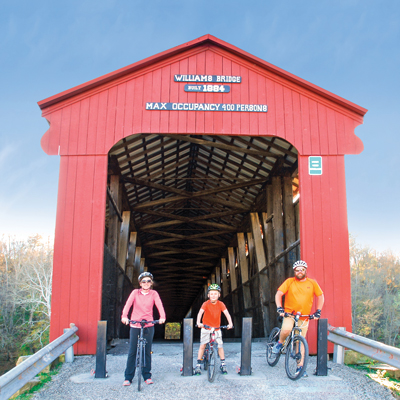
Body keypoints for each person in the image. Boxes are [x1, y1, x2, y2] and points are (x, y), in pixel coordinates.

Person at [272, 260, 324, 377]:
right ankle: (280, 343)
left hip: (304, 317)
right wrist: (280, 308)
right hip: (290, 314)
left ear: (305, 270)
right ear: (294, 271)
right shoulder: (289, 282)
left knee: (300, 342)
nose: (300, 272)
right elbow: (279, 294)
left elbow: (320, 296)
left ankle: (300, 368)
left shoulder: (312, 283)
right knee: (286, 330)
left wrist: (318, 311)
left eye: (302, 269)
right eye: (297, 270)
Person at [121, 272, 166, 386]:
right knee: (132, 351)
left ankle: (147, 375)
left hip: (148, 324)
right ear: (140, 283)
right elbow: (128, 305)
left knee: (147, 351)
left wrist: (162, 317)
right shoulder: (135, 293)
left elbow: (159, 305)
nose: (146, 283)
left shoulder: (154, 294)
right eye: (144, 281)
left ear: (151, 283)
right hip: (135, 324)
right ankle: (128, 377)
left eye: (148, 281)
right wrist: (124, 316)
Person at [195, 283, 233, 375]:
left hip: (216, 329)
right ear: (208, 295)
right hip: (206, 328)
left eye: (215, 294)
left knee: (220, 345)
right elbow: (200, 313)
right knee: (202, 345)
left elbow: (227, 314)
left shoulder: (221, 304)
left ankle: (223, 364)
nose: (213, 296)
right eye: (211, 294)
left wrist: (230, 323)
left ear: (219, 295)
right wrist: (198, 322)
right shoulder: (205, 304)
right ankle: (198, 364)